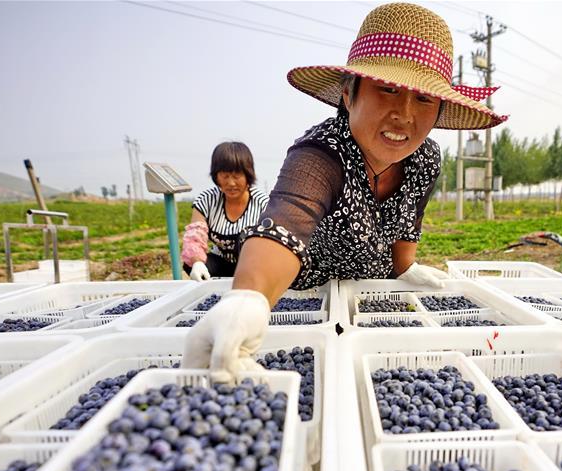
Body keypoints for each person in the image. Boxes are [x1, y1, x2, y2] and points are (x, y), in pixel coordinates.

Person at [183, 2, 507, 379]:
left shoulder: (424, 158)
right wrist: (248, 299)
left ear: (438, 111)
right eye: (387, 89)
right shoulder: (322, 151)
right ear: (348, 94)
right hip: (305, 303)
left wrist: (406, 269)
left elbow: (407, 227)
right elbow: (288, 216)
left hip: (371, 300)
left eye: (423, 99)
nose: (404, 113)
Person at [181, 142, 269, 280]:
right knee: (191, 264)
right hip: (221, 262)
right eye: (225, 176)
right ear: (216, 176)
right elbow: (195, 236)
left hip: (252, 265)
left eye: (237, 176)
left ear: (248, 175)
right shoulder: (207, 200)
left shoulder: (262, 203)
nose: (231, 183)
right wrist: (197, 262)